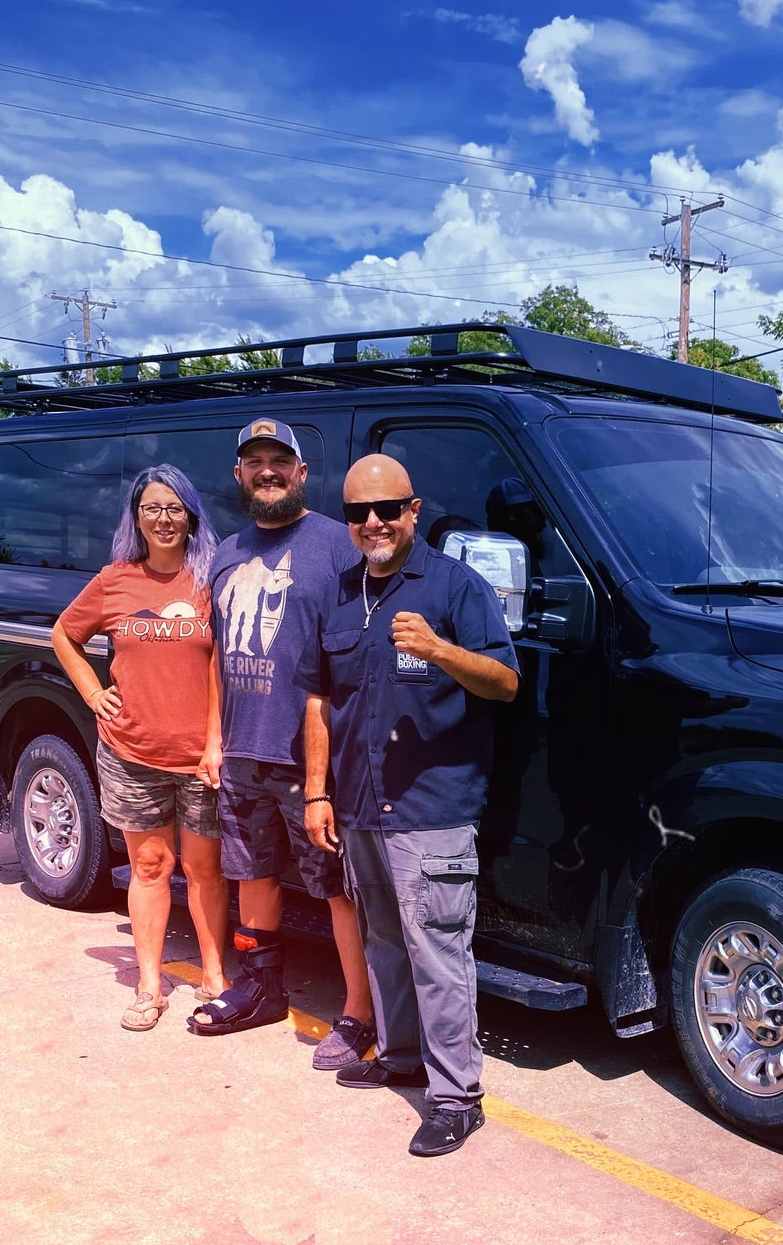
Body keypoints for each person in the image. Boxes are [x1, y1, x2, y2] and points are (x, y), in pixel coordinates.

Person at [299, 453, 518, 1157]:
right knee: (385, 944)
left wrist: (441, 650)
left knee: (438, 955)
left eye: (387, 509)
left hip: (432, 806)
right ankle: (399, 1056)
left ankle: (456, 1098)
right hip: (361, 803)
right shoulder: (339, 594)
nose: (373, 523)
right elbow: (321, 700)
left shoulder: (457, 588)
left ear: (413, 511)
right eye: (359, 512)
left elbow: (506, 683)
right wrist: (318, 790)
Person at [189, 419, 375, 1071]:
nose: (267, 471)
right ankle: (261, 988)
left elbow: (361, 653)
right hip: (243, 754)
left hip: (313, 761)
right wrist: (215, 738)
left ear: (301, 473)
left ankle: (360, 1012)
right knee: (253, 875)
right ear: (240, 476)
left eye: (279, 461)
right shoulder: (228, 554)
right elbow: (216, 654)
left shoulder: (336, 547)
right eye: (254, 462)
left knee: (336, 887)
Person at [51, 464, 227, 1031]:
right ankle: (150, 985)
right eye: (152, 508)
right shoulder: (116, 580)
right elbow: (65, 634)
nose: (164, 519)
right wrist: (94, 692)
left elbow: (226, 665)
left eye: (175, 508)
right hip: (131, 751)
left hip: (201, 756)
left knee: (205, 870)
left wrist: (216, 741)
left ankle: (215, 975)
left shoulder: (211, 580)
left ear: (191, 515)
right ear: (136, 516)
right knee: (151, 865)